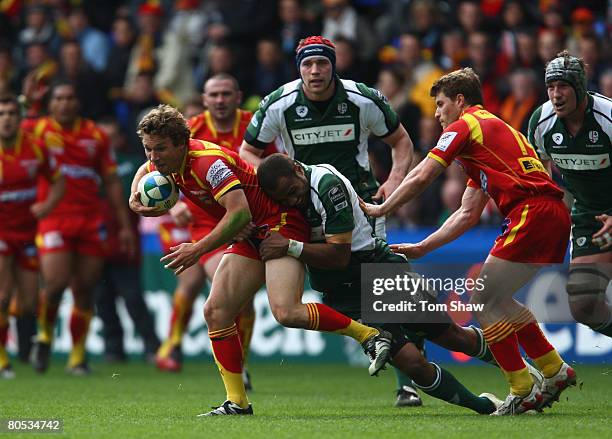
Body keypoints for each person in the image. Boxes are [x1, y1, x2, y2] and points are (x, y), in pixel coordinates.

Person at [129, 104, 393, 416]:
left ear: (180, 143)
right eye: (148, 149)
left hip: (279, 223)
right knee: (216, 311)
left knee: (286, 311)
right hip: (249, 233)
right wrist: (135, 200)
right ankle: (237, 402)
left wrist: (197, 249)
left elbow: (239, 211)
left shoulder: (207, 164)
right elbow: (143, 172)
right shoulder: (164, 164)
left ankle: (370, 335)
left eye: (159, 149)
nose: (153, 157)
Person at [361, 68, 576, 415]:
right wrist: (423, 247)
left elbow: (423, 173)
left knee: (483, 299)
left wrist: (383, 206)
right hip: (549, 213)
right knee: (498, 299)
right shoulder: (488, 137)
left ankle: (522, 389)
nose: (436, 114)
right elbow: (466, 213)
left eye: (441, 104)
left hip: (531, 211)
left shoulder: (467, 125)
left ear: (460, 101)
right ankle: (553, 369)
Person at [239, 35, 421, 407]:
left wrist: (394, 181)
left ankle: (409, 383)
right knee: (338, 292)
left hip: (359, 208)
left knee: (387, 294)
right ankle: (374, 341)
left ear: (333, 65)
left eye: (322, 63)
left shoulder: (362, 98)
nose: (315, 70)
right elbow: (248, 153)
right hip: (301, 212)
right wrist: (272, 187)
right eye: (308, 64)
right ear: (299, 68)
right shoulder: (279, 103)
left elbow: (402, 141)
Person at [256, 154, 514, 415]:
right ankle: (487, 407)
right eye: (284, 199)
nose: (292, 201)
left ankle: (529, 375)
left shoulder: (326, 186)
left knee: (451, 336)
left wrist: (291, 246)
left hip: (375, 271)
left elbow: (339, 256)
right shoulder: (288, 197)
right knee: (412, 363)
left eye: (292, 192)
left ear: (298, 170)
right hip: (343, 294)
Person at [155, 75, 271, 389]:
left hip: (247, 218)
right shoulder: (188, 129)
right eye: (213, 95)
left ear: (238, 97)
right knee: (202, 285)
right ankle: (173, 343)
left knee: (243, 301)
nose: (220, 100)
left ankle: (240, 365)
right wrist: (171, 204)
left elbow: (272, 168)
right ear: (204, 100)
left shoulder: (257, 127)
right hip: (205, 220)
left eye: (225, 94)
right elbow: (155, 161)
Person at [29, 80, 136, 375]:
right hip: (55, 217)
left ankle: (77, 357)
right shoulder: (38, 130)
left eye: (69, 97)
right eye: (59, 98)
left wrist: (123, 225)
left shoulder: (96, 135)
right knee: (55, 284)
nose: (64, 103)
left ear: (77, 103)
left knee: (86, 289)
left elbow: (112, 181)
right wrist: (29, 102)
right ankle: (46, 335)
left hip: (91, 219)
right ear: (51, 104)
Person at [528, 51, 612, 338]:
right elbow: (539, 177)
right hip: (589, 216)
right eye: (551, 87)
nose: (556, 95)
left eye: (563, 86)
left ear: (579, 88)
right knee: (583, 305)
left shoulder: (608, 117)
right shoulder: (541, 122)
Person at [0, 94, 64, 378]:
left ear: (19, 117)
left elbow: (59, 180)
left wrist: (48, 204)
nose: (7, 119)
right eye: (1, 114)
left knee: (27, 304)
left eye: (12, 113)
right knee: (2, 296)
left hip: (26, 233)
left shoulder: (35, 148)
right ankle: (2, 361)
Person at [94, 117, 160, 363]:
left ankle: (152, 347)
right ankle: (114, 349)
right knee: (102, 299)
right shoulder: (90, 167)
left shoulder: (134, 166)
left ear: (121, 140)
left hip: (124, 243)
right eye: (104, 139)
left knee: (132, 297)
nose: (108, 144)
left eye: (112, 138)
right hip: (95, 244)